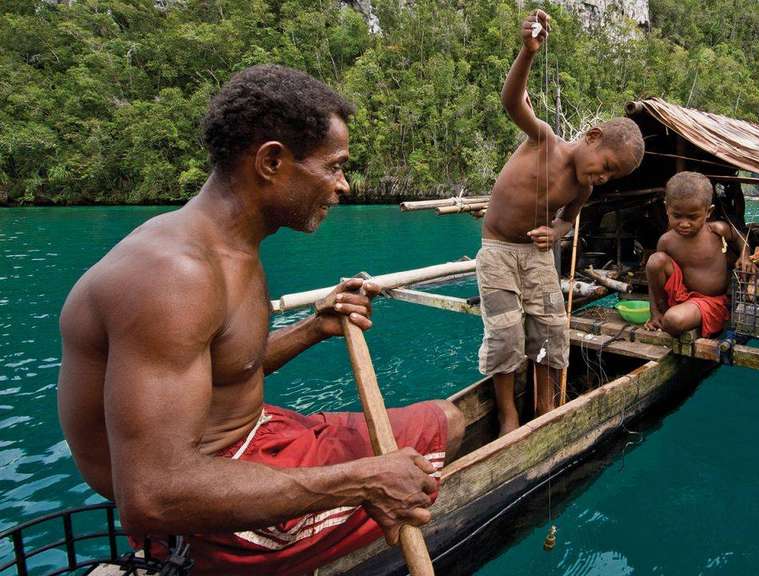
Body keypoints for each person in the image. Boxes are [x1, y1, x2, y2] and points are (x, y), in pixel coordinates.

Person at [57, 65, 465, 576]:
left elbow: (231, 366)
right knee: (442, 433)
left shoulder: (230, 245)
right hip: (200, 519)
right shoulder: (173, 278)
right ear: (272, 161)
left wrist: (313, 329)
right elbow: (152, 496)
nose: (343, 185)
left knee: (443, 423)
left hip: (249, 440)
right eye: (334, 166)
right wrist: (363, 481)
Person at [478, 9, 645, 436]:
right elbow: (512, 102)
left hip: (537, 257)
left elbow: (569, 221)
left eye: (612, 177)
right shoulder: (545, 141)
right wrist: (527, 53)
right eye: (605, 166)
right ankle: (508, 417)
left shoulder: (583, 189)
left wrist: (557, 231)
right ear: (591, 137)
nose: (603, 177)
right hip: (498, 251)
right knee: (506, 336)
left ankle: (547, 409)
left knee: (553, 332)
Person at [644, 172, 751, 338]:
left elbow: (741, 238)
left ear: (708, 212)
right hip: (679, 297)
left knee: (672, 320)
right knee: (655, 261)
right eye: (677, 216)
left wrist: (744, 256)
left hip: (710, 302)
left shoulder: (716, 230)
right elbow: (653, 280)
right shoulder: (666, 241)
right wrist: (654, 312)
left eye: (693, 217)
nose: (684, 224)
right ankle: (662, 312)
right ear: (667, 209)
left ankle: (672, 316)